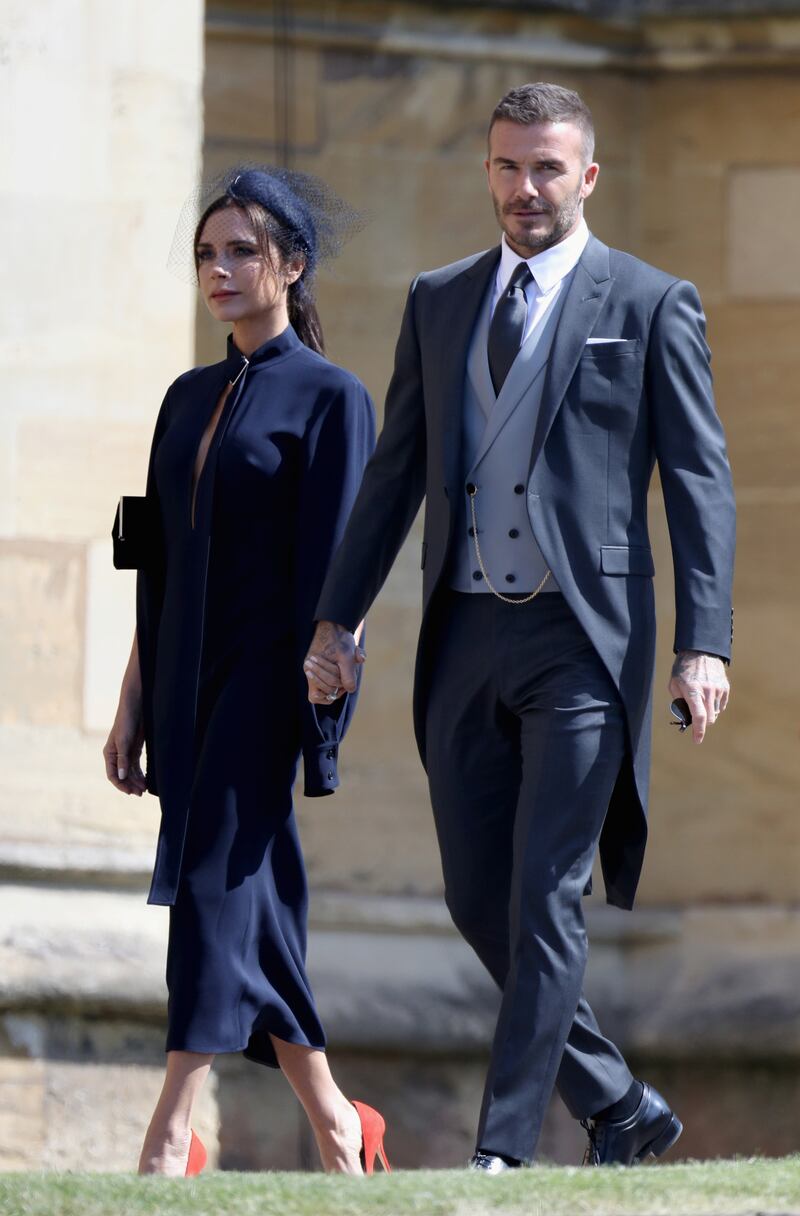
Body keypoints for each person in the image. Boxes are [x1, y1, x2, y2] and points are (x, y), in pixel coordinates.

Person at [303, 83, 735, 1169]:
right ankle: (619, 1102)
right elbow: (395, 474)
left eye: (546, 168)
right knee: (472, 895)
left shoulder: (648, 301)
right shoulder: (437, 297)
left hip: (582, 640)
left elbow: (696, 478)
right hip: (462, 634)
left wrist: (704, 640)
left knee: (545, 892)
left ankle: (504, 1151)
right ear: (487, 171)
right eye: (506, 166)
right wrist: (334, 620)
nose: (523, 188)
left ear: (585, 176)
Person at [103, 166, 390, 1177]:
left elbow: (343, 564)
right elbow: (154, 561)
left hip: (272, 679)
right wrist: (132, 699)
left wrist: (330, 660)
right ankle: (338, 1125)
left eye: (241, 252)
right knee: (250, 897)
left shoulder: (331, 397)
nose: (218, 270)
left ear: (291, 266)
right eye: (205, 253)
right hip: (181, 679)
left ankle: (168, 1130)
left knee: (214, 882)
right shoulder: (184, 398)